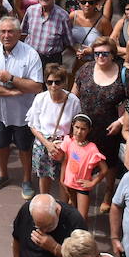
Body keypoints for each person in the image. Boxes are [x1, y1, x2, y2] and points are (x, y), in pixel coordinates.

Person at [0, 16, 45, 199]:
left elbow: (37, 86)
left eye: (10, 31)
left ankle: (26, 180)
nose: (6, 35)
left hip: (22, 113)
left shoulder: (30, 54)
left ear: (19, 33)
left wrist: (12, 79)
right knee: (0, 144)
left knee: (24, 147)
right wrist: (9, 92)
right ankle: (2, 175)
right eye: (3, 32)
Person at [76, 39, 129, 211]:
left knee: (109, 163)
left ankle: (108, 192)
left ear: (113, 54)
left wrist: (121, 122)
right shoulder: (85, 70)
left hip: (110, 129)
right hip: (85, 128)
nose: (100, 57)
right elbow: (74, 96)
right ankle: (81, 192)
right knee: (83, 159)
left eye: (105, 53)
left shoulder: (126, 75)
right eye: (97, 53)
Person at [26, 64, 81, 195]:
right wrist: (47, 144)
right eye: (50, 82)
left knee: (65, 179)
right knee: (44, 177)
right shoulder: (40, 98)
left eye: (57, 82)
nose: (54, 86)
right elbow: (33, 125)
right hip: (43, 143)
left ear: (64, 83)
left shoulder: (73, 101)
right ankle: (44, 202)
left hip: (65, 145)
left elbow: (77, 126)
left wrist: (65, 144)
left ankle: (64, 207)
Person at [61, 114, 110, 220]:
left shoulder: (92, 148)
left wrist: (92, 183)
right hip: (69, 183)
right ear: (72, 125)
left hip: (81, 186)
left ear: (89, 130)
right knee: (71, 211)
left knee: (82, 217)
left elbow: (104, 169)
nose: (79, 132)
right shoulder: (69, 141)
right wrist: (62, 179)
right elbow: (65, 161)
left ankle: (81, 234)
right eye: (77, 127)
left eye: (83, 129)